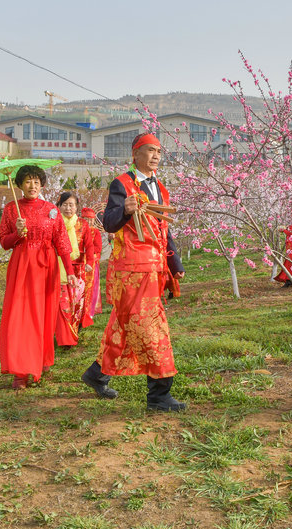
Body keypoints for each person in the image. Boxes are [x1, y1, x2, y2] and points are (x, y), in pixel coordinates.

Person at [81, 133, 187, 412]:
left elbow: (165, 229)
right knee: (151, 327)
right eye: (150, 151)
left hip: (155, 269)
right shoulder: (122, 184)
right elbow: (110, 223)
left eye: (159, 152)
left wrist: (175, 264)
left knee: (126, 325)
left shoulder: (160, 188)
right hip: (132, 269)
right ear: (136, 153)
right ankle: (159, 395)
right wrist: (126, 210)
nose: (155, 156)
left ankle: (96, 374)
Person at [0, 165, 73, 390]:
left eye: (37, 182)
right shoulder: (12, 209)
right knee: (20, 316)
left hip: (47, 268)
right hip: (22, 267)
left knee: (44, 315)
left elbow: (62, 242)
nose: (33, 186)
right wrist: (16, 234)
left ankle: (42, 363)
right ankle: (20, 372)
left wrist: (69, 272)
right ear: (20, 185)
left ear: (42, 185)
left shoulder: (52, 209)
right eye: (28, 182)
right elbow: (4, 242)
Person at [55, 192, 94, 347]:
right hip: (60, 268)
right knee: (63, 301)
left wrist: (89, 261)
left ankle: (74, 331)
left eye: (71, 205)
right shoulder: (56, 223)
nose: (68, 208)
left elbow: (89, 245)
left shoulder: (83, 224)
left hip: (78, 269)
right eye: (65, 204)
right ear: (59, 206)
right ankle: (65, 337)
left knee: (77, 302)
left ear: (77, 207)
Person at [81, 206, 104, 318]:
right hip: (80, 261)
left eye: (91, 219)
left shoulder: (96, 232)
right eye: (86, 219)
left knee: (92, 285)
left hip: (91, 262)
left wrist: (88, 251)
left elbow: (98, 248)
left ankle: (90, 308)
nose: (89, 221)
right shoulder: (78, 230)